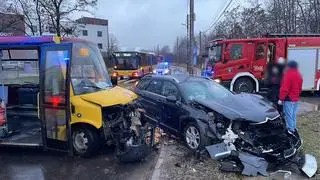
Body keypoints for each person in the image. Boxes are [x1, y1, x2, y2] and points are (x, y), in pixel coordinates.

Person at [278, 61, 303, 134]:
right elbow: (300, 88)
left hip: (289, 99)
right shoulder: (299, 75)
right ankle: (294, 127)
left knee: (288, 115)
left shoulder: (288, 75)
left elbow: (284, 89)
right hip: (295, 98)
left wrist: (280, 99)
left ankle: (290, 130)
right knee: (293, 114)